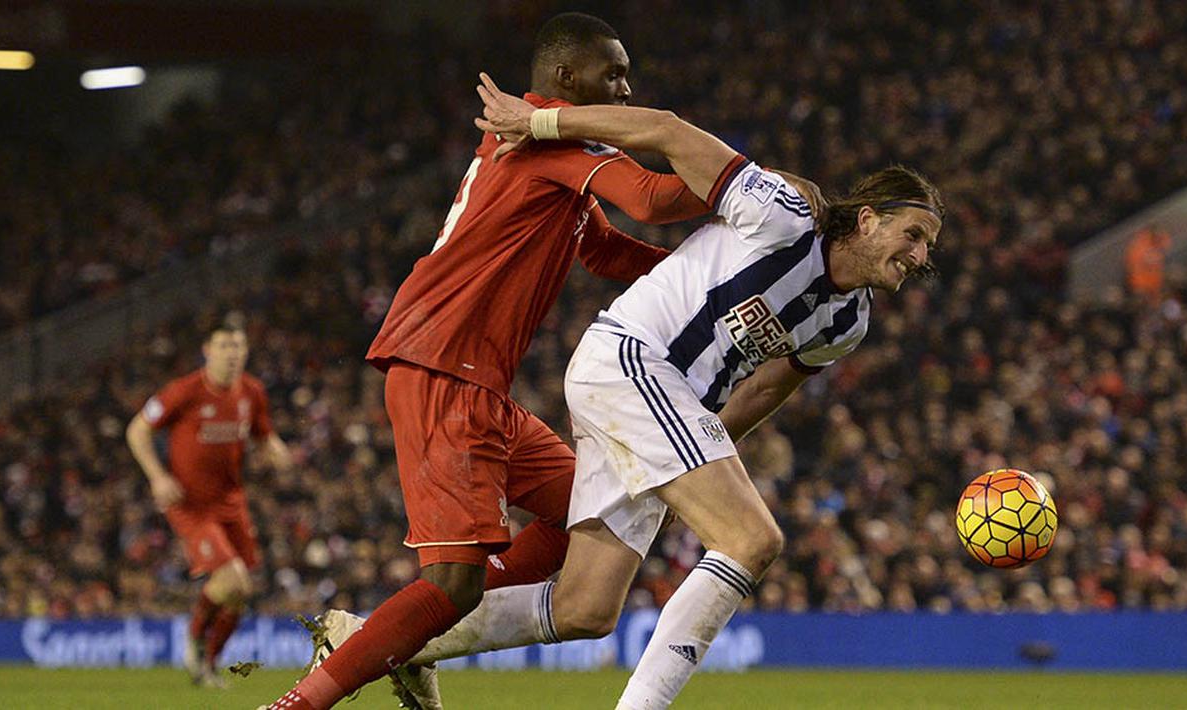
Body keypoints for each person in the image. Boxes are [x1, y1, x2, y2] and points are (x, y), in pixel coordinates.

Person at [333, 74, 943, 709]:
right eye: (914, 235)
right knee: (753, 539)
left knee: (585, 608)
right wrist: (540, 124)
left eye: (929, 246)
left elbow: (767, 388)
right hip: (635, 363)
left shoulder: (849, 322)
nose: (921, 255)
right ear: (868, 219)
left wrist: (699, 469)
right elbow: (668, 133)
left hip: (668, 406)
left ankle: (388, 642)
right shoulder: (783, 214)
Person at [264, 13, 727, 710]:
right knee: (452, 582)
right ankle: (301, 704)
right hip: (443, 367)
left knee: (585, 520)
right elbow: (654, 198)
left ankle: (388, 636)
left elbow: (603, 249)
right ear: (566, 77)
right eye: (613, 74)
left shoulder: (549, 146)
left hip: (473, 380)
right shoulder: (547, 141)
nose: (626, 89)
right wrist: (743, 184)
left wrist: (707, 290)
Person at [126, 320, 292, 687]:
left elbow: (265, 437)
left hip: (232, 502)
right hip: (191, 505)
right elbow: (137, 429)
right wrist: (157, 476)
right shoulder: (184, 391)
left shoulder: (252, 392)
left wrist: (277, 451)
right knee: (232, 579)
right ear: (207, 350)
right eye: (224, 346)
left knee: (241, 592)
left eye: (238, 346)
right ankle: (193, 638)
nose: (232, 354)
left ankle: (207, 665)